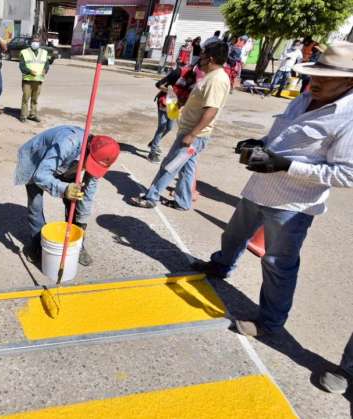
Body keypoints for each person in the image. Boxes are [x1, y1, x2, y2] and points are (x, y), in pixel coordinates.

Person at [191, 41, 353, 337]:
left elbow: (346, 174)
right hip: (259, 188)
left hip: (292, 205)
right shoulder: (305, 98)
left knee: (278, 264)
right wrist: (260, 144)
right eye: (315, 74)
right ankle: (220, 266)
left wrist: (285, 165)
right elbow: (282, 133)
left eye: (324, 78)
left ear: (349, 82)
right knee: (234, 235)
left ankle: (270, 322)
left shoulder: (348, 118)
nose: (314, 81)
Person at [128, 41, 231, 211]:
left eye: (203, 56)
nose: (200, 59)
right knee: (187, 169)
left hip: (193, 135)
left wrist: (192, 135)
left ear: (210, 58)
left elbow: (211, 110)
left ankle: (151, 197)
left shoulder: (217, 80)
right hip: (193, 133)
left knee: (170, 165)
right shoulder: (212, 76)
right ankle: (183, 201)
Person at [14, 126, 120, 266]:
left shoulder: (99, 156)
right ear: (88, 149)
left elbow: (88, 192)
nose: (91, 168)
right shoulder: (68, 143)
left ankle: (77, 244)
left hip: (67, 164)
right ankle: (37, 245)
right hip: (36, 160)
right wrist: (65, 189)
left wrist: (81, 222)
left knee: (74, 203)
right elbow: (41, 175)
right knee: (36, 205)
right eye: (91, 163)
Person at [147, 66, 197, 163]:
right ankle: (152, 154)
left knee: (169, 127)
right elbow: (158, 84)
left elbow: (189, 97)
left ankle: (154, 143)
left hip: (175, 106)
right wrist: (171, 92)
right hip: (164, 102)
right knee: (162, 126)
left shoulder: (198, 81)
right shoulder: (178, 72)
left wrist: (181, 104)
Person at [19, 34, 51, 123]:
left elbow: (47, 64)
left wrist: (45, 69)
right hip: (27, 80)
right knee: (25, 98)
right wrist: (29, 71)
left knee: (35, 99)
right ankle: (23, 115)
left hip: (39, 80)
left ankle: (32, 115)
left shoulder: (44, 52)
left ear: (40, 42)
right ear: (31, 42)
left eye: (37, 41)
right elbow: (21, 66)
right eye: (34, 41)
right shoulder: (24, 52)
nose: (35, 43)